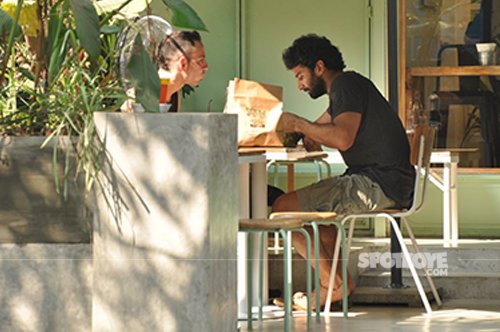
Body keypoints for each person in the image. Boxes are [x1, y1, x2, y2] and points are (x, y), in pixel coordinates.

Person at [273, 34, 415, 310]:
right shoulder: (349, 87)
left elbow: (342, 138)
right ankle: (333, 287)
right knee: (322, 221)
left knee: (283, 208)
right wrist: (306, 130)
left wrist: (300, 124)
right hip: (387, 183)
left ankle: (335, 286)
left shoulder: (345, 85)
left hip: (376, 185)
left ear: (319, 67)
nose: (300, 85)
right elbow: (322, 127)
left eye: (300, 76)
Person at [121, 30, 208, 112]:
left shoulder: (174, 94)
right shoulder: (140, 94)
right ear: (183, 63)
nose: (206, 67)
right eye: (200, 61)